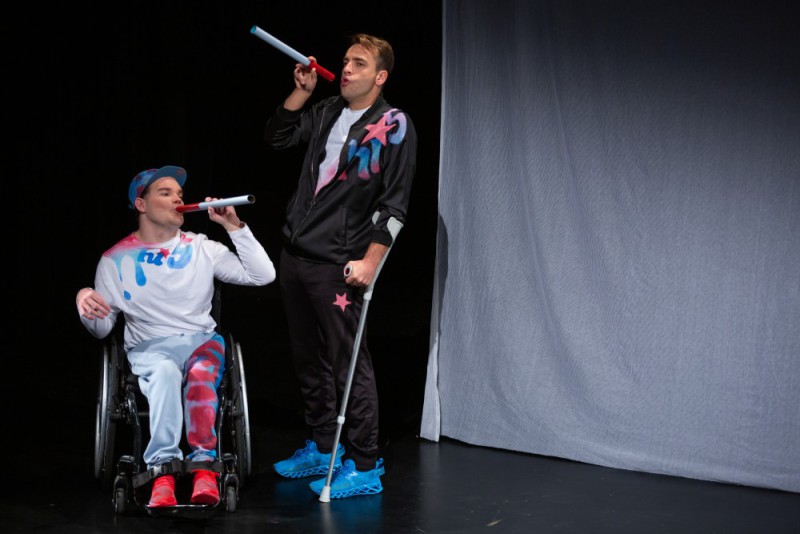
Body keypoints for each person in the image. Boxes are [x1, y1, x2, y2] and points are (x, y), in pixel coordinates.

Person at [263, 33, 417, 498]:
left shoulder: (393, 124)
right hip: (296, 255)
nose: (346, 69)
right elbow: (277, 137)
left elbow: (394, 207)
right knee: (307, 357)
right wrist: (301, 93)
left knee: (348, 364)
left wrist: (370, 261)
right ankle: (324, 445)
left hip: (337, 262)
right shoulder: (328, 109)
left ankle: (365, 464)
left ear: (380, 76)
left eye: (359, 63)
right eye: (345, 61)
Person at [76, 165, 276, 508]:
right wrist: (85, 301)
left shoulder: (202, 248)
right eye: (165, 193)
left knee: (201, 377)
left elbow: (263, 275)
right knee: (166, 373)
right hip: (150, 348)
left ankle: (204, 469)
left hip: (202, 342)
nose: (177, 199)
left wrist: (233, 226)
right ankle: (162, 472)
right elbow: (102, 330)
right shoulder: (114, 260)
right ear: (141, 205)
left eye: (180, 194)